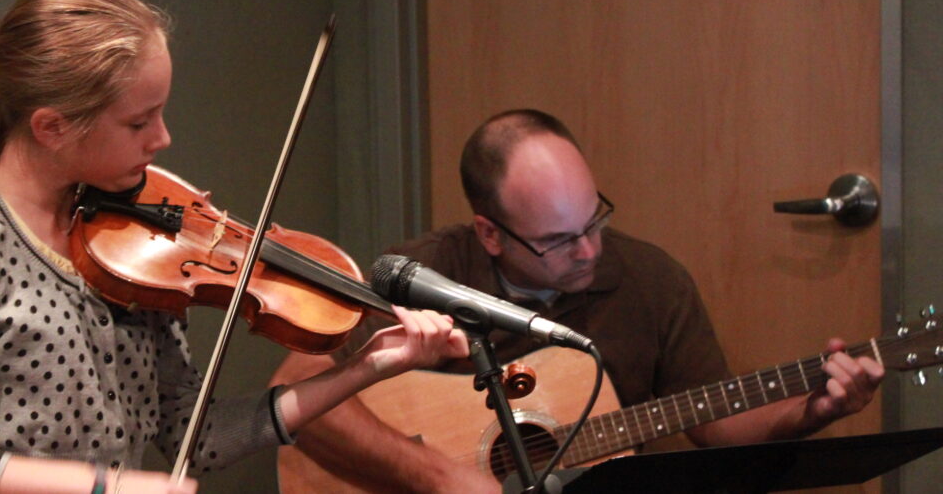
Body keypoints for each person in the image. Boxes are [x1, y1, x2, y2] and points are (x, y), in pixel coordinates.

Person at [0, 0, 469, 494]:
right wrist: (101, 487)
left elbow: (193, 438)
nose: (163, 139)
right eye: (140, 121)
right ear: (52, 127)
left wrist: (365, 368)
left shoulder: (136, 246)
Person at [269, 108, 885, 493]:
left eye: (594, 222)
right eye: (559, 241)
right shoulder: (427, 273)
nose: (589, 251)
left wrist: (812, 410)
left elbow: (717, 426)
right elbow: (296, 387)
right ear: (490, 233)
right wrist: (437, 475)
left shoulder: (651, 280)